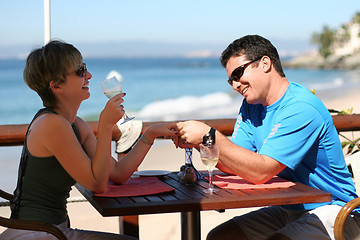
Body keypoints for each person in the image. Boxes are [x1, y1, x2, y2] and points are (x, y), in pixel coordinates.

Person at [175, 35, 360, 240]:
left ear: (265, 63)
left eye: (238, 74)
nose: (235, 85)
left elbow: (261, 171)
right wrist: (204, 142)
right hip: (290, 208)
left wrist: (210, 134)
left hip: (336, 209)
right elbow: (234, 163)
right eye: (231, 80)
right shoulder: (251, 106)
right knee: (221, 236)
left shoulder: (300, 107)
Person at [0, 40, 178, 240]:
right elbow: (97, 184)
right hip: (35, 233)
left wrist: (149, 135)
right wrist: (105, 127)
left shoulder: (76, 124)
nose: (89, 76)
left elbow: (117, 174)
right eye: (80, 71)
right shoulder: (52, 124)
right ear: (57, 86)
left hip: (53, 229)